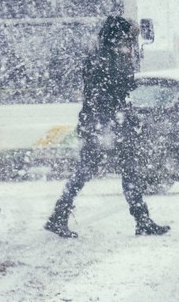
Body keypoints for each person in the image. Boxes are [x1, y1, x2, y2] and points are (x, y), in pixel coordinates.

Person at [45, 16, 170, 238]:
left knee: (103, 170)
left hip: (104, 124)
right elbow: (107, 94)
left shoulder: (104, 57)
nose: (130, 42)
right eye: (128, 37)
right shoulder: (107, 60)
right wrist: (115, 118)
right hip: (105, 125)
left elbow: (109, 92)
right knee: (104, 171)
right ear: (117, 37)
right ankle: (140, 220)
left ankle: (60, 215)